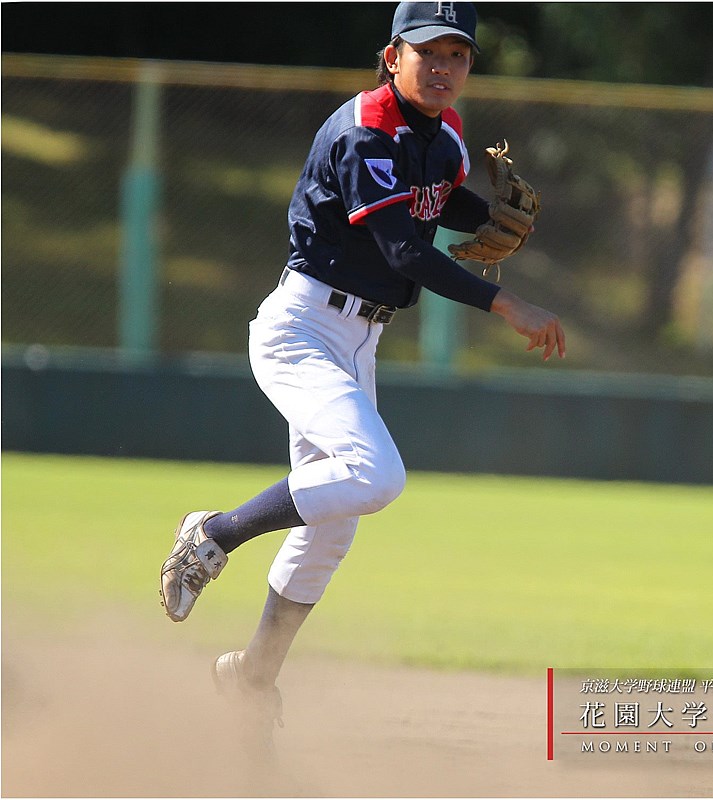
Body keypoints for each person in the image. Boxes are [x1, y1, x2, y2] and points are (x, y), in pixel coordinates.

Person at [159, 0, 564, 755]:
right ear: (391, 56)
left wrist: (486, 211)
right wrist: (506, 300)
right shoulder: (363, 130)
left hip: (360, 339)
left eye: (458, 55)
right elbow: (405, 250)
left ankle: (252, 676)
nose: (443, 67)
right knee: (376, 477)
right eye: (427, 52)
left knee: (333, 527)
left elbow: (436, 204)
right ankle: (213, 535)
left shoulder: (443, 136)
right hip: (304, 329)